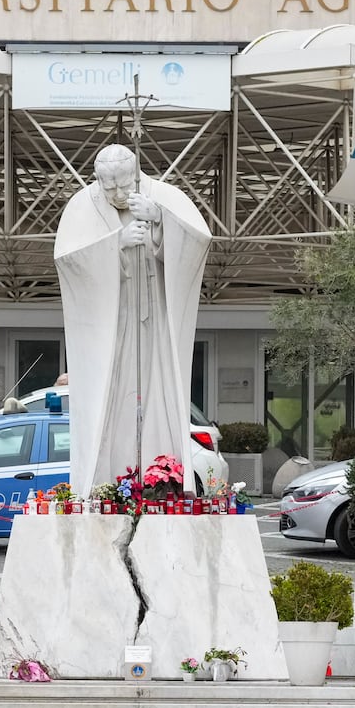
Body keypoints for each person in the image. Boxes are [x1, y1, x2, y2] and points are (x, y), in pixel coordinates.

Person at [54, 143, 211, 497]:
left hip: (155, 317)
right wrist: (116, 244)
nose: (117, 194)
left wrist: (160, 221)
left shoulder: (164, 196)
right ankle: (105, 487)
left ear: (137, 175)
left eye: (124, 185)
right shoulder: (81, 205)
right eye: (108, 187)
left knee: (160, 391)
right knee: (110, 397)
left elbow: (200, 241)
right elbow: (67, 260)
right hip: (111, 323)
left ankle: (161, 481)